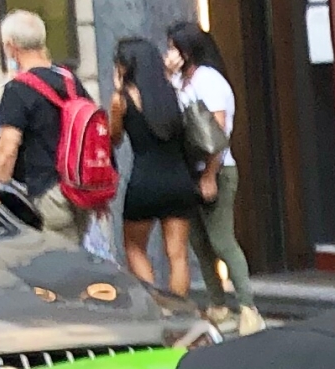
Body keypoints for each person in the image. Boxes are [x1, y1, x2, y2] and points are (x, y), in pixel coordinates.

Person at [163, 23, 262, 335]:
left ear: (187, 51)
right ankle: (217, 305)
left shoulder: (209, 80)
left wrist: (209, 174)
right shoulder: (180, 81)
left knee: (221, 239)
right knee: (201, 243)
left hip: (217, 169)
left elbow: (217, 133)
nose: (169, 54)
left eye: (173, 48)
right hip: (188, 171)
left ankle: (248, 305)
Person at [109, 36, 198, 295]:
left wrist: (117, 92)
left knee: (135, 248)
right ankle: (179, 313)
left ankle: (157, 306)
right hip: (179, 179)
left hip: (145, 182)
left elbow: (113, 139)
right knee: (178, 254)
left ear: (125, 66)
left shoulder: (122, 99)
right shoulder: (173, 91)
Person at [0, 11, 85, 237]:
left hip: (47, 194)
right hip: (80, 191)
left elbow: (8, 149)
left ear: (11, 47)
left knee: (51, 266)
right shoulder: (70, 80)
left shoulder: (18, 89)